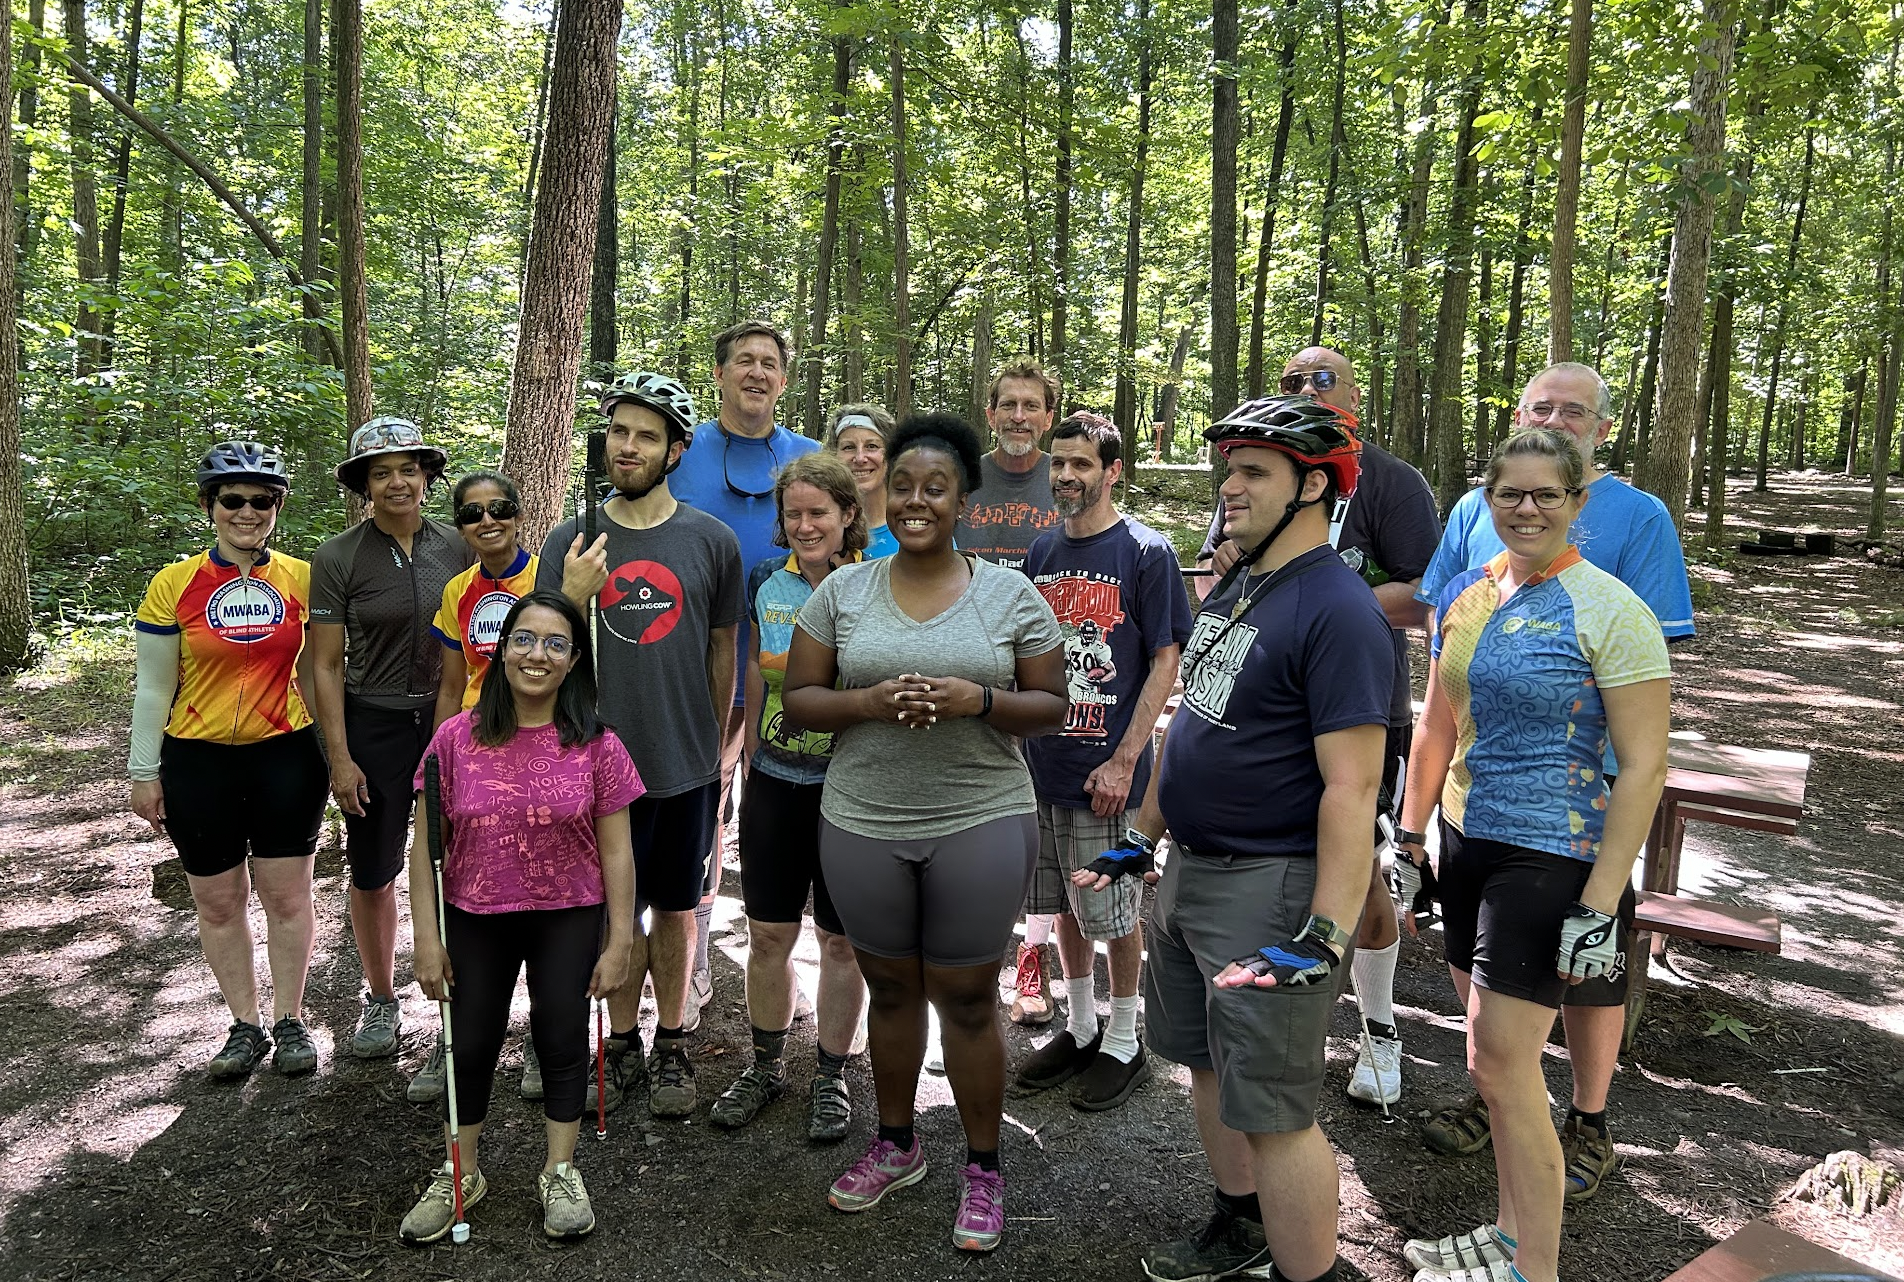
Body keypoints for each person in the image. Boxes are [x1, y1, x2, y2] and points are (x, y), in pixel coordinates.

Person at [1083, 395, 1392, 1282]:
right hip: (1190, 874)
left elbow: (1352, 784)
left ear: (1314, 487)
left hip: (1273, 889)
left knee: (1278, 1109)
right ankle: (1241, 1221)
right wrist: (1141, 839)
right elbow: (1193, 724)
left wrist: (1326, 933)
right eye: (1230, 470)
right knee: (1209, 1066)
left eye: (1254, 472)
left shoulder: (1339, 611)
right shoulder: (1244, 585)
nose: (1231, 488)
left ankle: (1311, 1274)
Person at [1410, 362, 1694, 1201]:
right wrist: (1406, 828)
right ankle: (1507, 1129)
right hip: (1466, 827)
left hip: (1566, 828)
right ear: (1486, 499)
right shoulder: (1466, 586)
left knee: (1522, 1035)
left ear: (1579, 498)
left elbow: (1646, 757)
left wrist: (1604, 900)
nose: (1526, 508)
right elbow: (1435, 719)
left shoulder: (1613, 590)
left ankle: (1554, 1185)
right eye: (1510, 495)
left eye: (1547, 496)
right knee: (1491, 1040)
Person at [783, 413, 1065, 1253]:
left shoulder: (1009, 595)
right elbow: (799, 700)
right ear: (882, 495)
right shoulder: (844, 591)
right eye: (901, 485)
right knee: (893, 989)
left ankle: (983, 1168)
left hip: (979, 814)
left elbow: (1051, 705)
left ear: (962, 499)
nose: (915, 500)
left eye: (934, 487)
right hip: (862, 819)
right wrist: (867, 702)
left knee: (971, 1000)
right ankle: (896, 1144)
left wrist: (977, 698)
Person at [1197, 347, 1441, 1108]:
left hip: (1355, 700)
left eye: (1323, 379)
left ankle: (1379, 1028)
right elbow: (1218, 570)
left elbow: (1427, 591)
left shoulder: (1391, 481)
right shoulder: (1255, 476)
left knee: (1363, 873)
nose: (1308, 389)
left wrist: (1324, 606)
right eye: (1294, 381)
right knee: (1280, 862)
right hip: (1258, 698)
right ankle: (1269, 1015)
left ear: (1357, 395)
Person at [398, 590, 640, 1244]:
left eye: (556, 643)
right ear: (501, 650)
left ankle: (559, 1170)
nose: (538, 654)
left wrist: (620, 941)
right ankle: (461, 1173)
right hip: (475, 913)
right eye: (525, 639)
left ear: (573, 661)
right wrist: (424, 937)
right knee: (468, 1044)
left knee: (561, 1041)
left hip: (570, 911)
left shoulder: (599, 745)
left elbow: (617, 853)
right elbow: (425, 851)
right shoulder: (453, 739)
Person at [540, 370, 743, 1120]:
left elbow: (724, 647)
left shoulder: (709, 540)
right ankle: (619, 1041)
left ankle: (674, 1041)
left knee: (678, 909)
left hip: (681, 761)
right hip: (592, 766)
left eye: (646, 436)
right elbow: (542, 647)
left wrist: (714, 741)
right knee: (608, 911)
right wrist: (569, 593)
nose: (627, 447)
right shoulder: (573, 539)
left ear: (677, 450)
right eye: (619, 432)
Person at [129, 441, 330, 1079]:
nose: (248, 511)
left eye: (262, 500)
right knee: (216, 900)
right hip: (197, 758)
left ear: (278, 507)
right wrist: (142, 770)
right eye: (233, 499)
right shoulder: (175, 583)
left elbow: (326, 671)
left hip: (285, 754)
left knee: (288, 895)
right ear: (210, 506)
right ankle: (244, 1024)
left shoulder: (302, 579)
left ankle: (291, 1020)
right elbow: (154, 686)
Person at [1012, 411, 1191, 1112]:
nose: (1066, 477)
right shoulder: (1042, 552)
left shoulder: (1146, 553)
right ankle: (1081, 1026)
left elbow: (1165, 661)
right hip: (1044, 765)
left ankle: (1123, 1039)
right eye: (1059, 464)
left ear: (1112, 471)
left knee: (1114, 911)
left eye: (1082, 465)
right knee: (1060, 904)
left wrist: (1124, 760)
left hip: (1105, 773)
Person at [709, 452, 871, 1141]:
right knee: (769, 931)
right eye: (794, 514)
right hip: (773, 776)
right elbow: (751, 656)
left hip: (850, 784)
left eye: (819, 513)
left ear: (847, 517)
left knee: (841, 942)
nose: (805, 525)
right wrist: (740, 741)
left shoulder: (874, 585)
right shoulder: (763, 580)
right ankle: (767, 1064)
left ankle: (831, 1075)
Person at [667, 320, 821, 1026]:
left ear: (784, 380)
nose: (757, 373)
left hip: (787, 683)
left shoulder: (811, 459)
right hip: (690, 674)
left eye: (770, 364)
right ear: (722, 374)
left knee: (774, 822)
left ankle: (807, 964)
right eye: (743, 362)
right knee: (700, 817)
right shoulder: (680, 451)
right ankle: (690, 965)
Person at [309, 418, 472, 1060]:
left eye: (408, 469)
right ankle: (380, 1001)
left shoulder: (459, 547)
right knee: (373, 867)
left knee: (453, 860)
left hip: (448, 721)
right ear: (364, 486)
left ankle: (454, 997)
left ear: (428, 478)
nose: (397, 481)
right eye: (381, 472)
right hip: (370, 724)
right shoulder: (338, 556)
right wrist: (339, 756)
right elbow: (323, 663)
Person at [407, 469, 544, 1104]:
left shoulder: (545, 577)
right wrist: (438, 763)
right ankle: (453, 1038)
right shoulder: (457, 590)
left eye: (499, 509)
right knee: (463, 893)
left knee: (548, 893)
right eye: (471, 514)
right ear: (459, 524)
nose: (487, 522)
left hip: (541, 750)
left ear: (519, 512)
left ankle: (548, 1040)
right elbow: (448, 683)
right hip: (475, 753)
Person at [953, 359, 1065, 1026]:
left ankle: (1032, 955)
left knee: (1041, 826)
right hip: (966, 667)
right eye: (1009, 405)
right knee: (970, 819)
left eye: (1033, 405)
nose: (1020, 416)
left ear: (1048, 416)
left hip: (1045, 672)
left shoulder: (1067, 476)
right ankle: (967, 955)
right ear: (989, 414)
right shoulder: (967, 476)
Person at [831, 403, 900, 559]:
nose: (860, 458)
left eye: (871, 446)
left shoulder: (916, 525)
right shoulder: (818, 526)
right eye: (848, 447)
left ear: (891, 455)